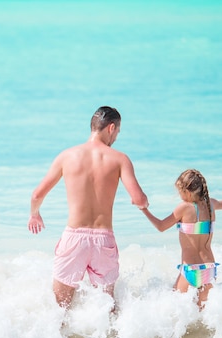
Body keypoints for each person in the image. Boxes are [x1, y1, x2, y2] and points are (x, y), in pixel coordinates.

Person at [28, 106, 149, 310]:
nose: (116, 138)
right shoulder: (119, 159)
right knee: (106, 309)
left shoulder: (67, 156)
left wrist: (35, 215)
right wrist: (142, 203)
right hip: (104, 240)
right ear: (111, 128)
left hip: (74, 238)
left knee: (60, 309)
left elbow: (36, 195)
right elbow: (139, 199)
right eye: (118, 132)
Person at [140, 169, 222, 308]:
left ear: (187, 191)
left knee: (175, 310)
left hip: (190, 269)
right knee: (201, 311)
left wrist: (144, 210)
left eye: (179, 191)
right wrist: (216, 204)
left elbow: (161, 226)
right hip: (209, 268)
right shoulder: (210, 204)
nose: (179, 195)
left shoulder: (183, 208)